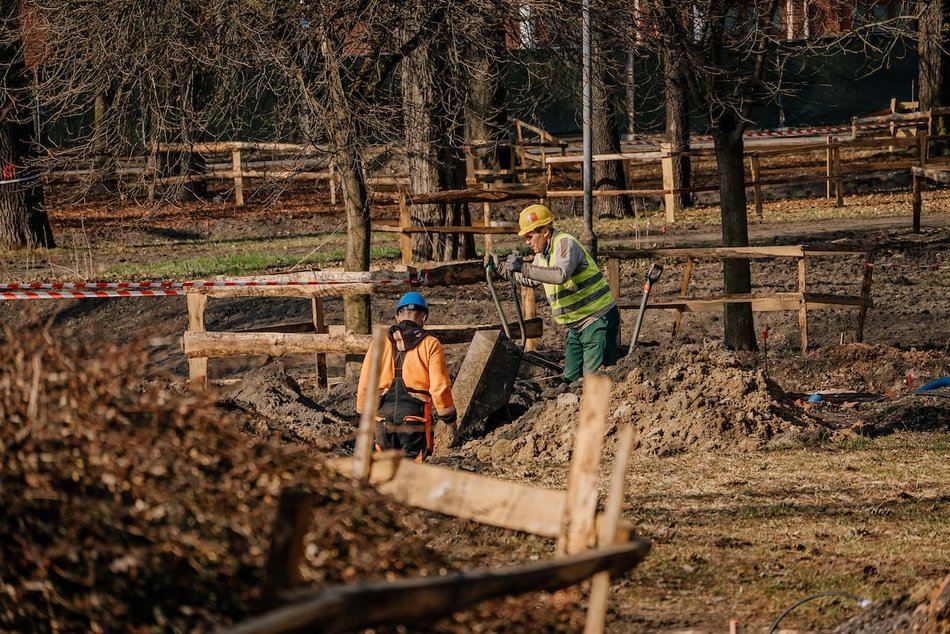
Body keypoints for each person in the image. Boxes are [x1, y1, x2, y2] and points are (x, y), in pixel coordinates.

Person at [498, 204, 620, 383]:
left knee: (594, 380)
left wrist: (522, 267)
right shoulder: (544, 254)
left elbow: (559, 274)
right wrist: (502, 270)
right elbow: (532, 279)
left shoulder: (565, 243)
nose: (527, 242)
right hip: (576, 325)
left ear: (545, 231)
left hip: (596, 319)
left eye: (530, 236)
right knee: (570, 379)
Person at [356, 292, 458, 462]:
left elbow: (365, 382)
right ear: (424, 317)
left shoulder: (380, 342)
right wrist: (450, 422)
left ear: (397, 317)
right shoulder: (430, 343)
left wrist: (361, 415)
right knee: (413, 475)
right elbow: (439, 388)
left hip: (381, 421)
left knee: (384, 473)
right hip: (415, 423)